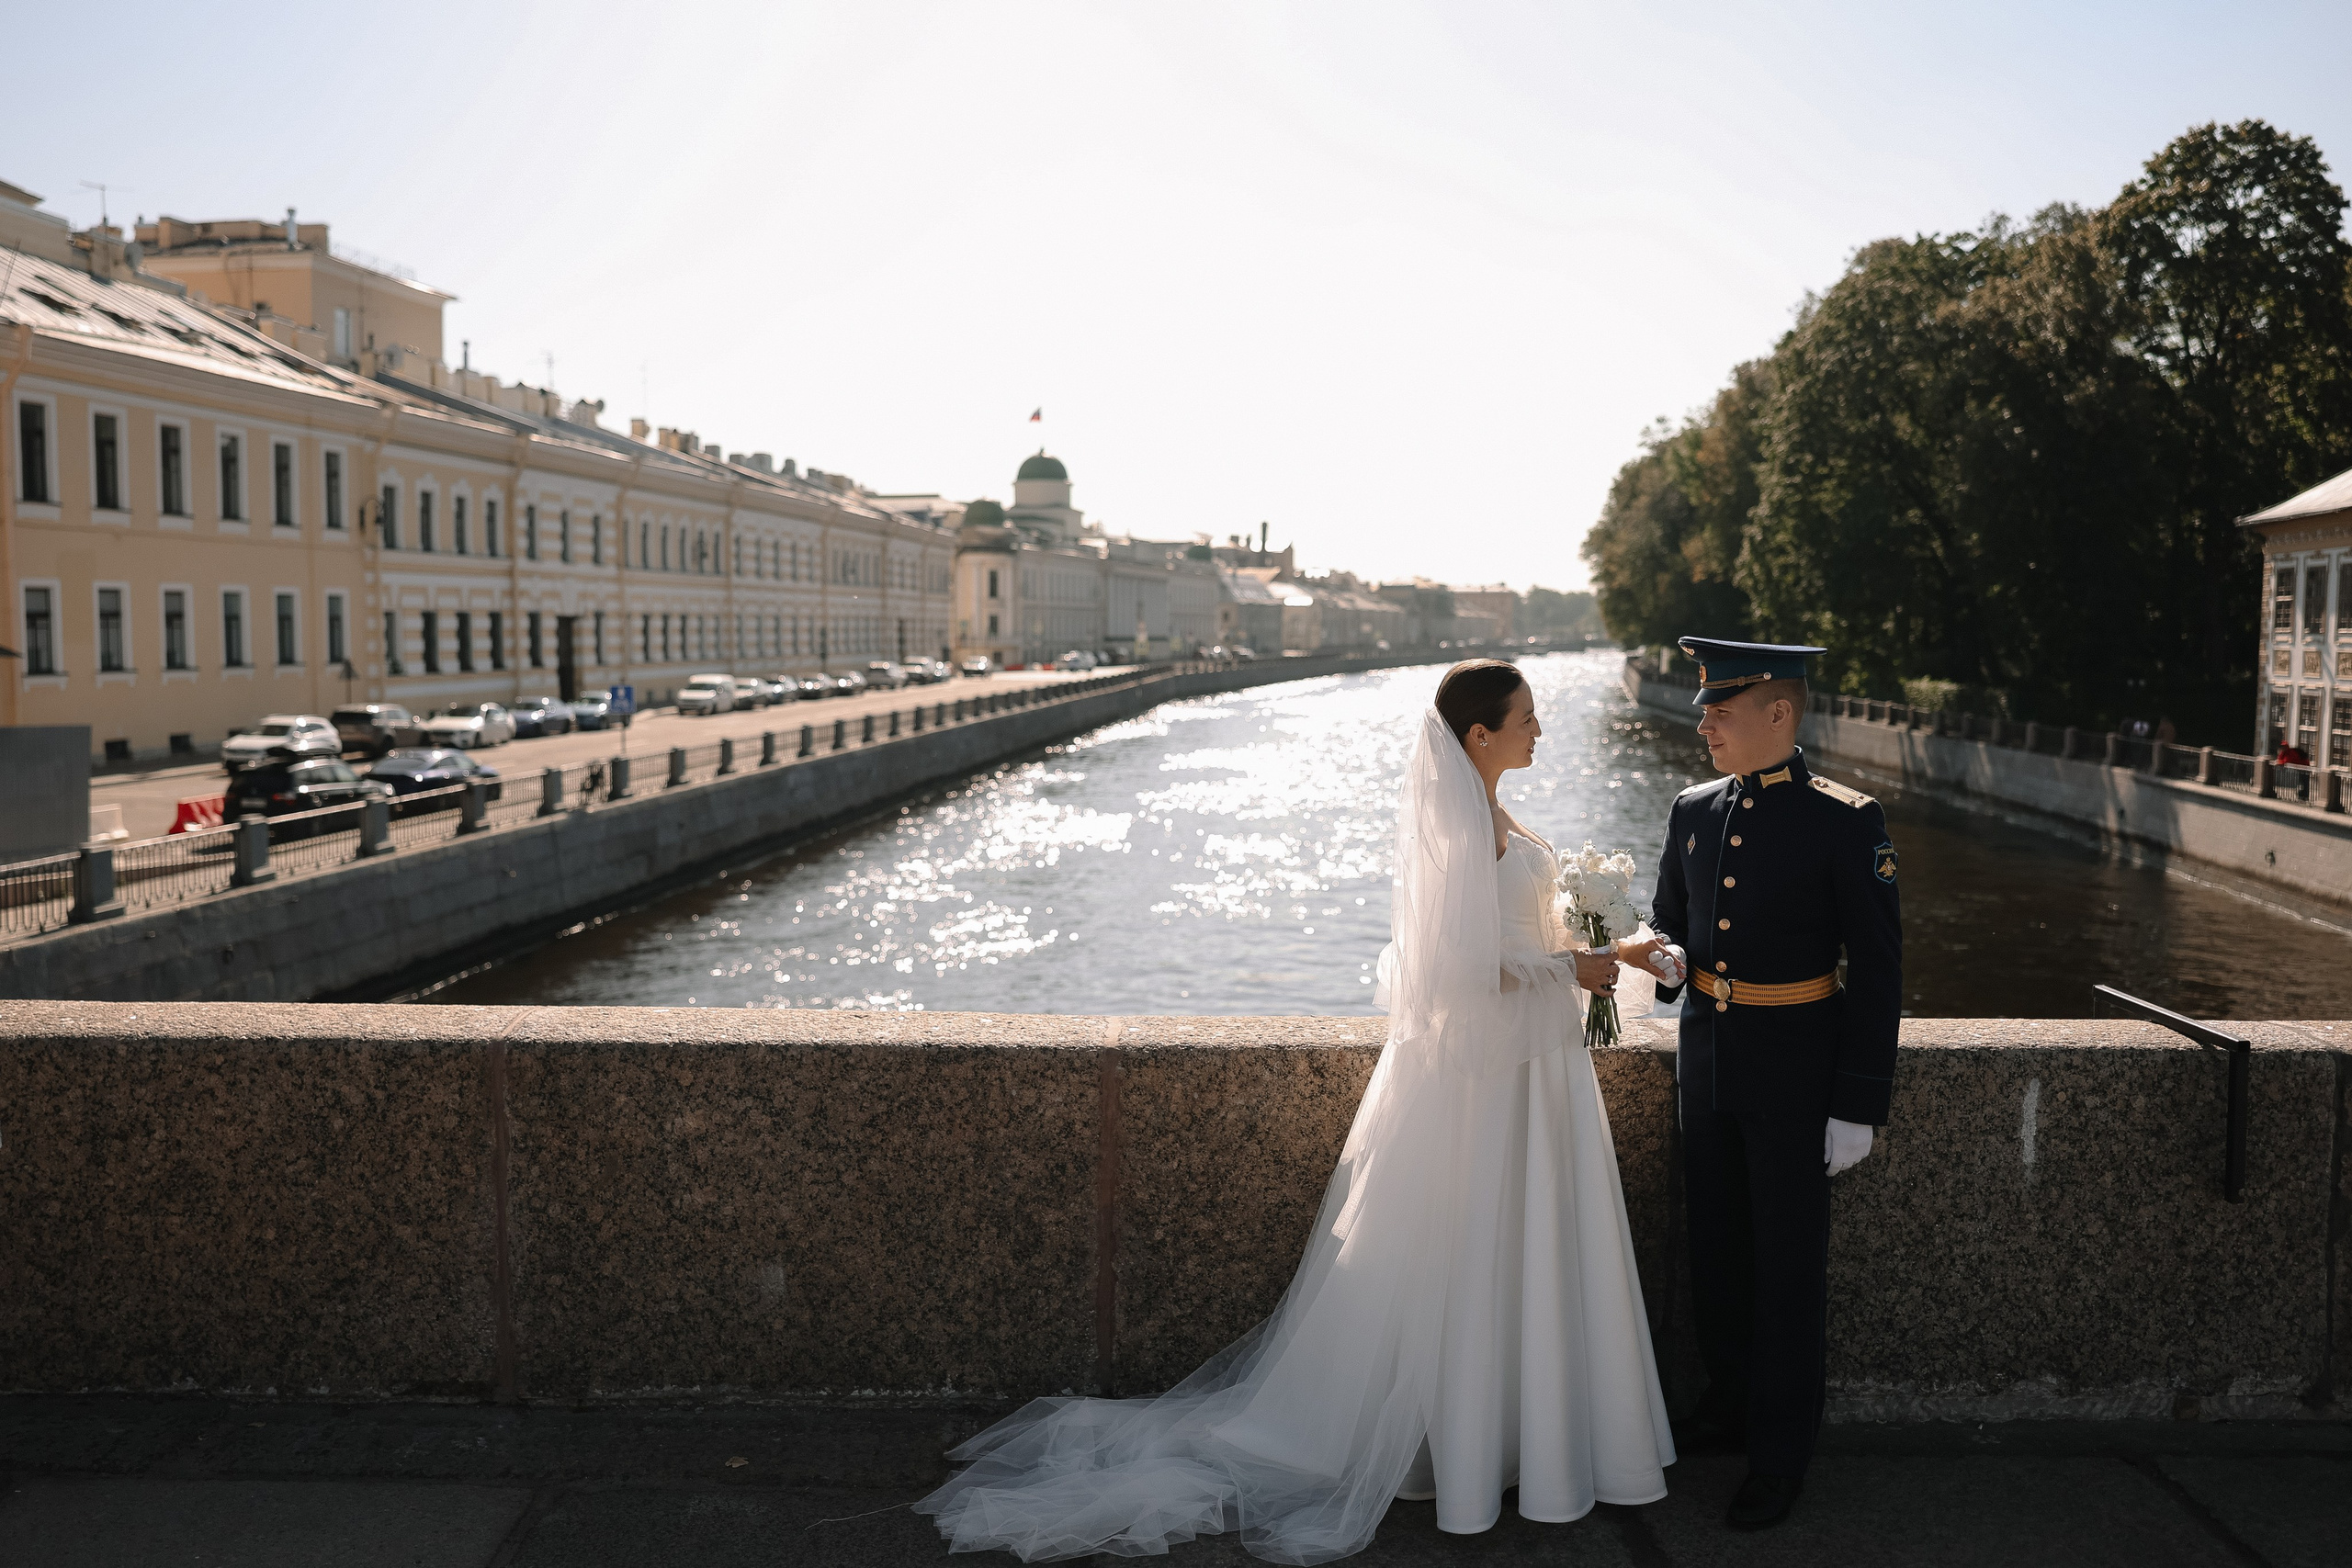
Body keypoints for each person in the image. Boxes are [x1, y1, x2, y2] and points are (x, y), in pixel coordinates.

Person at [917, 659, 1676, 1562]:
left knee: (1521, 1253)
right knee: (1482, 1254)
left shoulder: (1493, 816)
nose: (1539, 730)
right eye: (1526, 717)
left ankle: (1505, 1445)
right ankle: (1471, 1455)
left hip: (1530, 1071)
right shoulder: (1464, 829)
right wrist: (1572, 972)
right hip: (1490, 1085)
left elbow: (1512, 945)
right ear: (1479, 735)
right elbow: (1446, 978)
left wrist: (1609, 950)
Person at [1648, 637, 1901, 1532]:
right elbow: (1667, 923)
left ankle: (1781, 1452)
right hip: (1708, 1059)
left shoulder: (1845, 818)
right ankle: (1725, 1405)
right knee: (1715, 1249)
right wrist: (1665, 959)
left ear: (1780, 715)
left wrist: (1857, 1102)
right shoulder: (1688, 809)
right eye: (1705, 708)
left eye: (1722, 708)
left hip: (1798, 1074)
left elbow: (1876, 971)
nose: (1704, 721)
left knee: (1786, 1271)